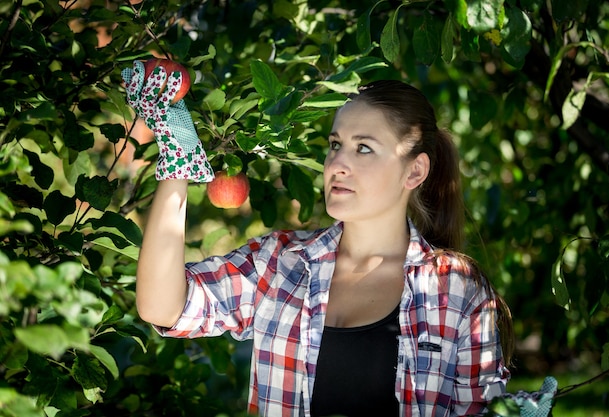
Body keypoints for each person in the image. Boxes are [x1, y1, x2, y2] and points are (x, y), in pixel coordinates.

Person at [123, 61, 513, 417]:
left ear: (415, 172)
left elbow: (482, 408)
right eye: (335, 145)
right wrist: (177, 162)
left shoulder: (455, 289)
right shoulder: (279, 264)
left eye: (363, 148)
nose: (338, 164)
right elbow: (164, 307)